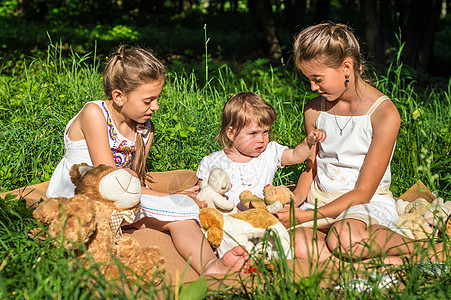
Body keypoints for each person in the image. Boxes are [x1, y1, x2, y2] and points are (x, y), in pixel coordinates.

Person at [46, 46, 248, 275]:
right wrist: (169, 197)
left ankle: (212, 266)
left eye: (157, 98)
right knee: (174, 204)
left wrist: (171, 200)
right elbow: (110, 178)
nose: (156, 107)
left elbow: (133, 180)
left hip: (122, 199)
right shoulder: (95, 114)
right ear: (119, 96)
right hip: (83, 195)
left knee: (180, 216)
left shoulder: (144, 129)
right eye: (148, 100)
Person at [276, 22, 443, 263]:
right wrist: (296, 200)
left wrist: (305, 219)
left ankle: (420, 250)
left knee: (344, 238)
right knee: (297, 245)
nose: (313, 87)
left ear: (346, 67)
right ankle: (372, 256)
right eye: (308, 79)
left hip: (365, 202)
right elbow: (311, 168)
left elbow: (364, 192)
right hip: (321, 199)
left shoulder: (383, 114)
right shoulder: (315, 110)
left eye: (318, 78)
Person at [196, 92, 325, 257]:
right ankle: (236, 259)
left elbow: (295, 156)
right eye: (253, 134)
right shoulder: (213, 162)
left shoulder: (269, 153)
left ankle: (272, 259)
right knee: (228, 242)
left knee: (278, 241)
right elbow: (202, 195)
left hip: (264, 222)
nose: (261, 139)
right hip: (232, 225)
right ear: (231, 133)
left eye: (266, 131)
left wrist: (308, 143)